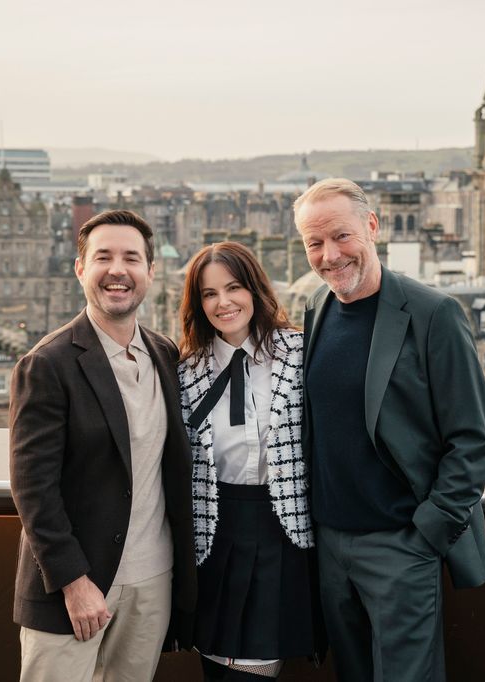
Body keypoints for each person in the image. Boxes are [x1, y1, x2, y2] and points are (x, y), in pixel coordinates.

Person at [294, 178, 485, 682]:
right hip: (331, 546)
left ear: (372, 227)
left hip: (400, 545)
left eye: (341, 236)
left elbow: (471, 439)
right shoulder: (316, 308)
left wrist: (428, 533)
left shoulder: (435, 314)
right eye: (314, 243)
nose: (329, 254)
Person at [9, 209, 197, 681]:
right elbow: (33, 490)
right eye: (103, 257)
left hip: (152, 579)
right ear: (80, 269)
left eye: (132, 258)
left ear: (150, 272)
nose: (118, 270)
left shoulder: (164, 353)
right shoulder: (47, 364)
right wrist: (74, 583)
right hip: (76, 587)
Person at [177, 242, 322, 681]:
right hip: (216, 537)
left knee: (257, 667)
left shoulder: (300, 353)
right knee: (222, 668)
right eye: (208, 294)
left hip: (287, 534)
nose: (223, 302)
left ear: (256, 289)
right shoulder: (185, 372)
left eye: (234, 287)